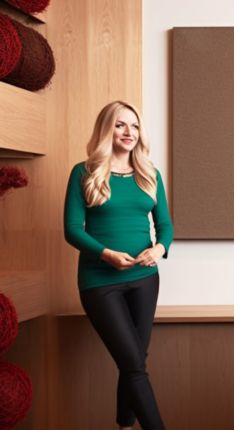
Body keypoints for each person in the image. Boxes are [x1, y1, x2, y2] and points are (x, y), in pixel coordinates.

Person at [64, 100, 173, 430]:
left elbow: (165, 226)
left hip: (146, 278)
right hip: (100, 282)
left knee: (135, 361)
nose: (129, 132)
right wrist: (106, 254)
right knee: (134, 364)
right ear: (106, 129)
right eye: (121, 125)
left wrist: (158, 249)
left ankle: (125, 427)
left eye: (135, 126)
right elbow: (71, 229)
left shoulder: (149, 174)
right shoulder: (83, 172)